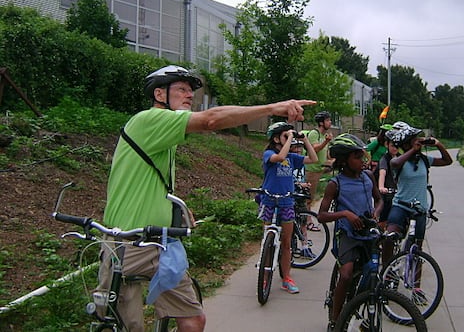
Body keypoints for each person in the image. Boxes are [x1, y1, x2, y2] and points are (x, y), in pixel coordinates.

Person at [98, 65, 316, 332]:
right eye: (181, 89)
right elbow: (211, 119)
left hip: (160, 242)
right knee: (127, 326)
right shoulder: (147, 120)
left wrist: (174, 203)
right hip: (127, 243)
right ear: (159, 93)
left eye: (191, 90)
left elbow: (145, 180)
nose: (189, 95)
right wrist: (272, 108)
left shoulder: (163, 136)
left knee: (193, 320)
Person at [317, 133, 383, 331]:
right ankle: (336, 321)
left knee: (371, 274)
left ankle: (358, 305)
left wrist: (376, 213)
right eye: (357, 157)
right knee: (345, 275)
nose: (362, 160)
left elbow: (379, 200)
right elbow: (321, 215)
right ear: (345, 160)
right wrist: (345, 214)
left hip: (367, 232)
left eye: (362, 156)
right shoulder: (335, 184)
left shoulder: (368, 177)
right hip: (347, 234)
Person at [383, 122, 452, 267]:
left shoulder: (424, 160)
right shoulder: (400, 161)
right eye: (414, 139)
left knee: (417, 250)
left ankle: (416, 285)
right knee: (389, 238)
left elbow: (448, 161)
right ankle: (386, 271)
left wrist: (438, 144)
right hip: (400, 206)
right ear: (406, 144)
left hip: (419, 209)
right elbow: (394, 164)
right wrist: (412, 151)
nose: (418, 140)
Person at [259, 122, 318, 293]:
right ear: (276, 138)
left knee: (286, 243)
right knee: (267, 240)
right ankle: (264, 275)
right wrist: (290, 138)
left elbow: (313, 159)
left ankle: (286, 278)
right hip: (269, 200)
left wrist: (305, 140)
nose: (289, 140)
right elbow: (278, 158)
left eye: (289, 136)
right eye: (285, 136)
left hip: (286, 202)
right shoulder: (269, 153)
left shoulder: (292, 158)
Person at [290, 138, 317, 258]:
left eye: (300, 147)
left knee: (303, 222)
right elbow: (288, 177)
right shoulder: (288, 160)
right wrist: (298, 184)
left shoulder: (301, 163)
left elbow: (313, 159)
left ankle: (305, 247)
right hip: (291, 194)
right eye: (296, 147)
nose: (298, 150)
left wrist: (305, 184)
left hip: (299, 194)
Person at [375, 129, 401, 244]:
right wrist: (381, 187)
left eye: (397, 145)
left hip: (398, 192)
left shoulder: (401, 157)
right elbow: (382, 173)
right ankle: (379, 239)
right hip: (387, 192)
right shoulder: (384, 159)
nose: (395, 148)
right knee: (383, 219)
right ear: (387, 145)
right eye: (392, 145)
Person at [305, 111, 334, 210]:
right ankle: (307, 221)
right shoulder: (314, 133)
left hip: (320, 170)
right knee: (309, 197)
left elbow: (327, 155)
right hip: (312, 170)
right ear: (321, 123)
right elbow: (315, 149)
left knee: (312, 197)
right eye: (327, 120)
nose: (330, 122)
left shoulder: (324, 136)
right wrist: (326, 141)